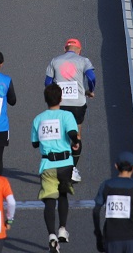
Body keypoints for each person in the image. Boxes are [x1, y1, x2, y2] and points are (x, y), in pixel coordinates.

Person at [31, 84, 80, 251]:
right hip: (66, 164)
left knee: (49, 201)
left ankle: (51, 235)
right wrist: (76, 142)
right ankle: (63, 229)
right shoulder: (67, 116)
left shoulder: (38, 119)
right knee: (63, 196)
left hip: (47, 165)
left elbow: (34, 143)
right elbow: (73, 134)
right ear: (61, 98)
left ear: (45, 99)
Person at [44, 39, 96, 182]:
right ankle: (72, 168)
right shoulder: (84, 60)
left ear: (65, 48)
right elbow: (91, 78)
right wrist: (90, 91)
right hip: (77, 105)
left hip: (59, 104)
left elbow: (47, 83)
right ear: (79, 50)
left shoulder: (55, 61)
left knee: (59, 135)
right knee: (76, 136)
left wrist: (53, 97)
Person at [92, 152, 133, 253]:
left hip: (112, 238)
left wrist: (98, 234)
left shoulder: (106, 185)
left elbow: (96, 211)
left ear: (116, 166)